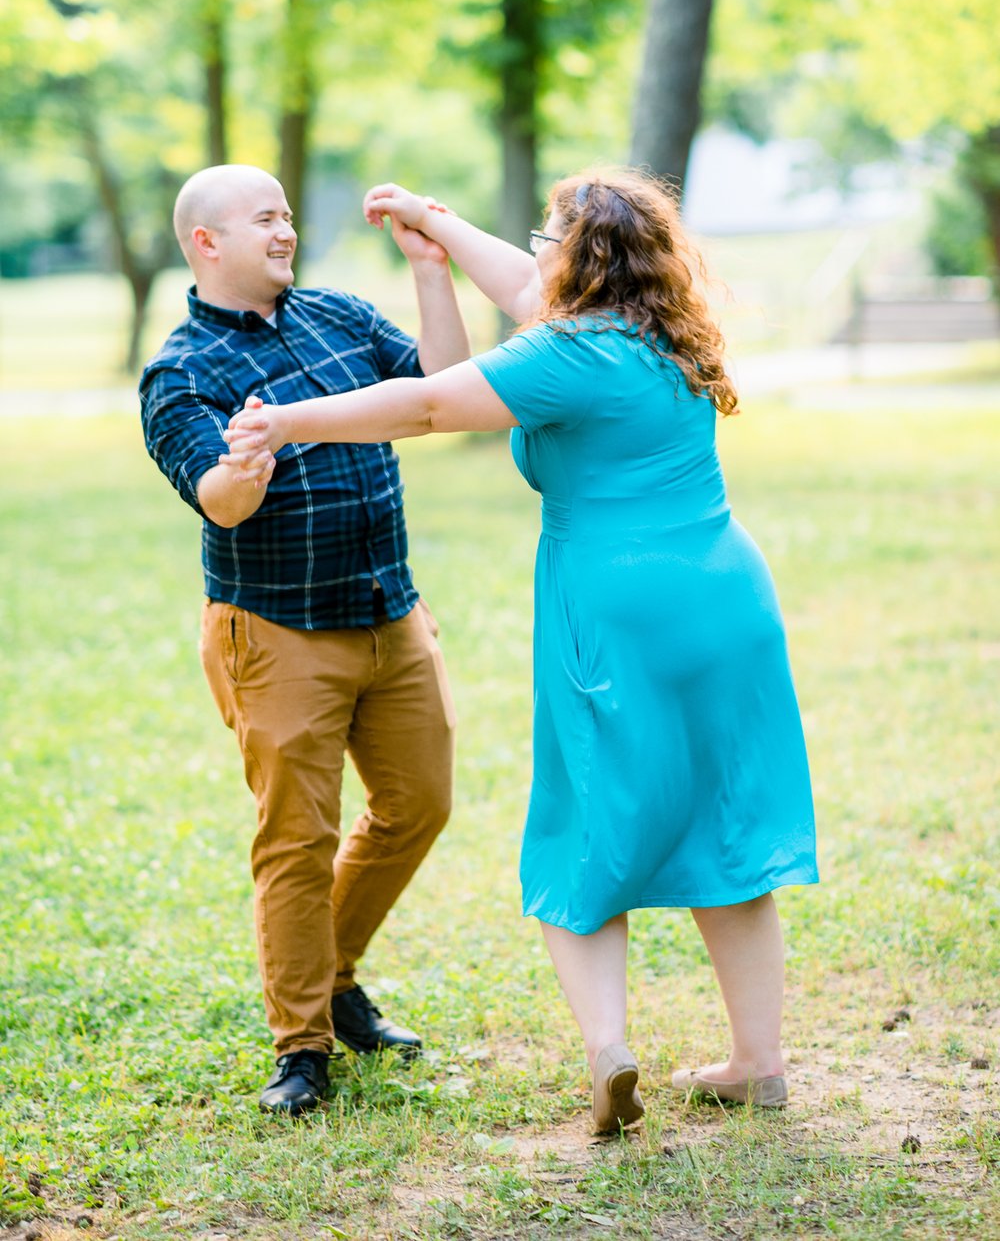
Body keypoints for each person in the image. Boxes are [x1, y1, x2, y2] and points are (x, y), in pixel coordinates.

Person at [222, 167, 819, 1133]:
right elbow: (519, 285)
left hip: (621, 604)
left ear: (577, 260)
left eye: (548, 236)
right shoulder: (663, 327)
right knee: (728, 826)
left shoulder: (568, 354)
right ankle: (758, 1060)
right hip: (725, 594)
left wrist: (287, 422)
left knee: (582, 827)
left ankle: (610, 1051)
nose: (535, 251)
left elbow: (424, 407)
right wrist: (435, 227)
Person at [139, 163, 469, 1117]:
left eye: (286, 215)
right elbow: (221, 502)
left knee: (418, 804)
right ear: (207, 242)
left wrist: (432, 272)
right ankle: (304, 1046)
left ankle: (332, 975)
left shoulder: (341, 316)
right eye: (264, 219)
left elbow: (441, 392)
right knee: (298, 837)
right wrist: (248, 461)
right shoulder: (182, 372)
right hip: (277, 633)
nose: (285, 231)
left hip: (389, 610)